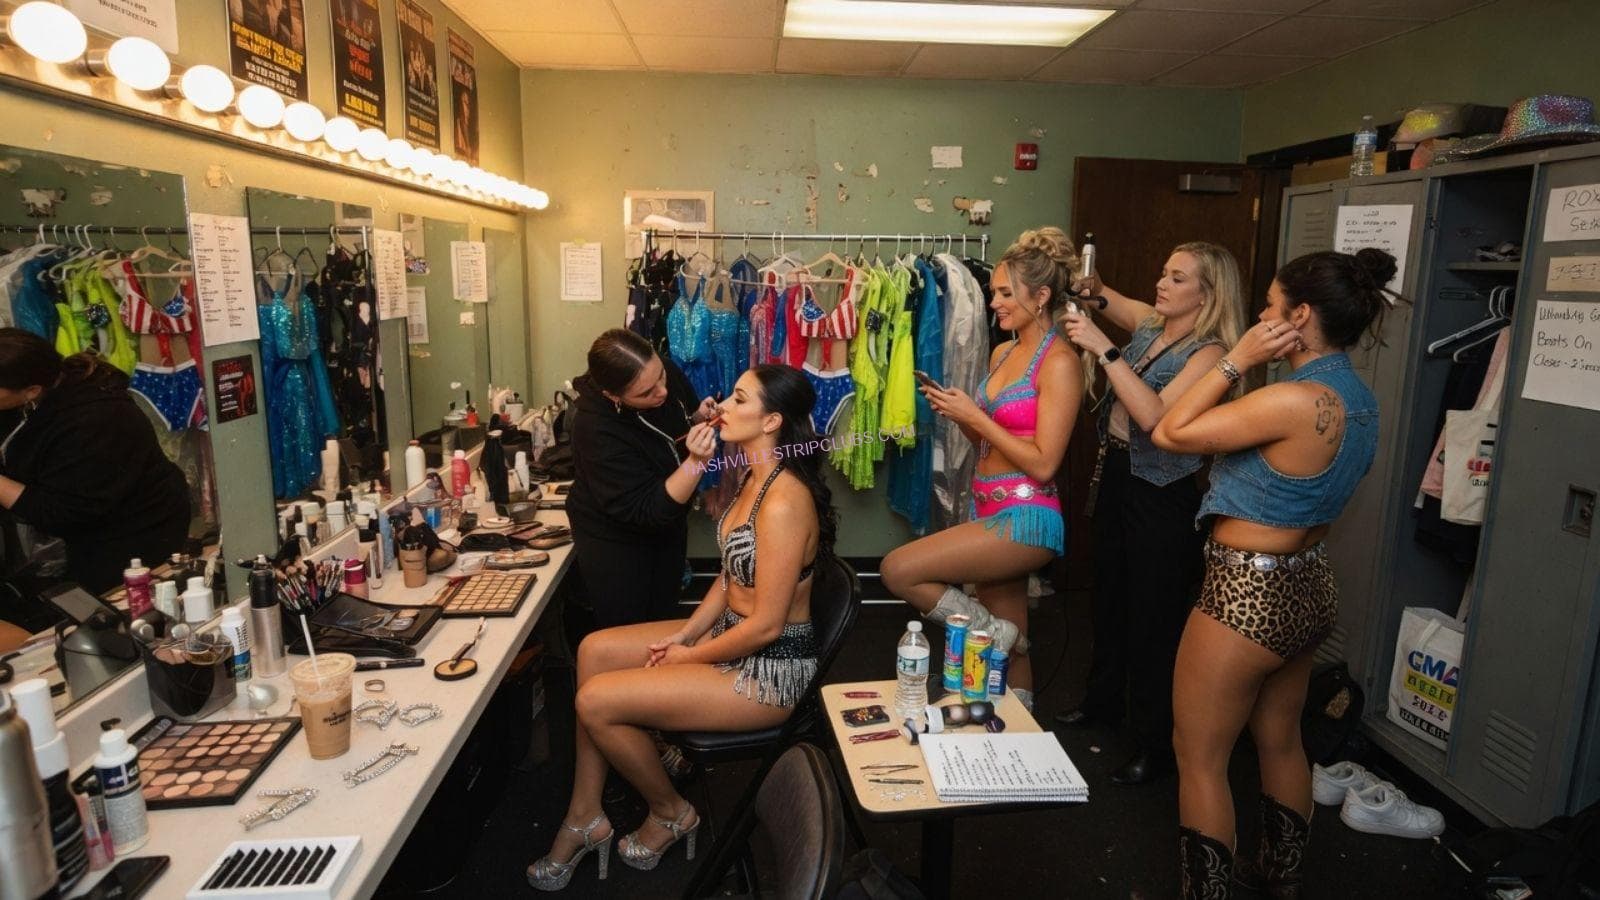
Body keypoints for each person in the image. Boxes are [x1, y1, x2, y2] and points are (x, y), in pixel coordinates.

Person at [528, 365, 835, 891]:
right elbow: (728, 577)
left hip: (769, 669)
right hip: (732, 636)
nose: (721, 407)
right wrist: (687, 636)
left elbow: (765, 626)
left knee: (594, 701)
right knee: (594, 649)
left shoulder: (784, 501)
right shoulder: (750, 476)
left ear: (772, 421)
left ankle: (671, 811)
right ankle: (585, 815)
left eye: (739, 400)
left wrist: (689, 657)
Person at [1152, 249, 1394, 898]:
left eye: (1268, 304)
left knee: (1198, 756)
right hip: (1310, 585)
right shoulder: (1360, 400)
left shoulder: (1294, 400)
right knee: (1281, 738)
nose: (1259, 314)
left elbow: (1170, 430)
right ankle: (1278, 879)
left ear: (1300, 315)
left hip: (1247, 594)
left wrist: (1236, 360)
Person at [1055, 243, 1245, 786]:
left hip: (1162, 495)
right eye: (1163, 272)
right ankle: (1103, 703)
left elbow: (1156, 418)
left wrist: (1104, 351)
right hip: (1117, 476)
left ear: (1206, 295)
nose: (1162, 283)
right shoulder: (1151, 325)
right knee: (1109, 596)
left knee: (1153, 621)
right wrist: (1087, 283)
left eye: (1176, 278)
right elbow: (1104, 295)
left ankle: (1152, 744)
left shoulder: (1210, 355)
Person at [880, 228, 1083, 712]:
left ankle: (1002, 638)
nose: (993, 303)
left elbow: (1043, 462)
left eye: (1005, 293)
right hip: (986, 503)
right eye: (994, 292)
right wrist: (961, 415)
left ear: (1042, 296)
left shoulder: (1059, 363)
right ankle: (1018, 739)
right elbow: (990, 443)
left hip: (1025, 517)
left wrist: (976, 417)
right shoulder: (1003, 352)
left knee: (898, 569)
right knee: (1007, 639)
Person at [0, 329, 190, 594]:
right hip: (86, 524)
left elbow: (60, 512)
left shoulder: (95, 420)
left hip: (134, 531)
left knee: (114, 609)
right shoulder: (36, 398)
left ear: (32, 390)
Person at [568, 329, 718, 629]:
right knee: (631, 628)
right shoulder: (594, 428)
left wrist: (697, 419)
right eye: (646, 394)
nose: (662, 391)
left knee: (663, 616)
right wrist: (696, 462)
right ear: (613, 396)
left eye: (660, 377)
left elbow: (673, 423)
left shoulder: (661, 372)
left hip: (668, 522)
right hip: (617, 541)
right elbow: (650, 510)